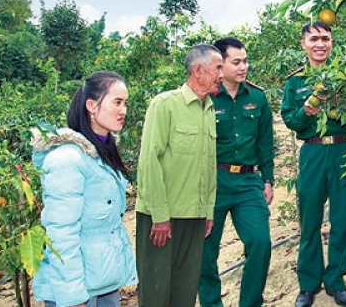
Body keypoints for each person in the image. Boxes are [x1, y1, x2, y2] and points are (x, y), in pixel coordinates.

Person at [31, 71, 137, 307]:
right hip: (77, 288)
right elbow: (61, 234)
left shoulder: (103, 152)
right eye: (117, 102)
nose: (124, 111)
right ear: (91, 105)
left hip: (103, 280)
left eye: (125, 103)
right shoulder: (67, 159)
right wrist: (73, 298)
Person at [135, 44, 224, 307]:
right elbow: (149, 161)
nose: (222, 74)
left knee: (185, 294)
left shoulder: (208, 109)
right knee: (155, 294)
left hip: (195, 219)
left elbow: (209, 166)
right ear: (198, 70)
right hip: (162, 219)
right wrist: (160, 217)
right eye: (218, 67)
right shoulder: (165, 104)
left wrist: (208, 212)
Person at [281, 22, 346, 307]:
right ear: (303, 44)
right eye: (313, 38)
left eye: (325, 38)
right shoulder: (295, 82)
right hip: (313, 152)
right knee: (310, 219)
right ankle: (308, 284)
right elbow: (290, 119)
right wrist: (306, 111)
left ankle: (336, 282)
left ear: (332, 42)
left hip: (344, 150)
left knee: (342, 219)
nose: (320, 43)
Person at [199, 37, 276, 307]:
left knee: (260, 242)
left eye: (245, 61)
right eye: (237, 62)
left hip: (247, 181)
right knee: (205, 253)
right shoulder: (206, 97)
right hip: (213, 182)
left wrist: (268, 179)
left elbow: (265, 142)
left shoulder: (257, 97)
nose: (244, 67)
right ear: (220, 64)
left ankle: (251, 303)